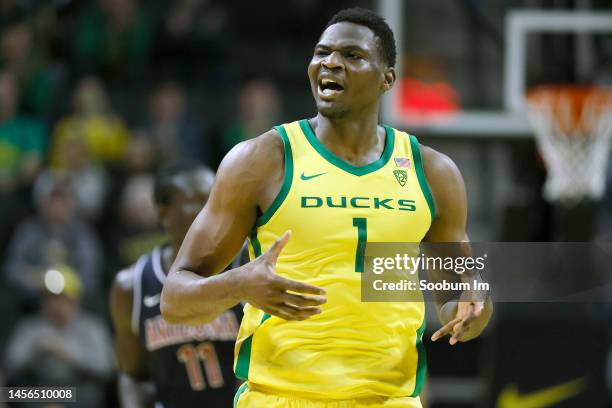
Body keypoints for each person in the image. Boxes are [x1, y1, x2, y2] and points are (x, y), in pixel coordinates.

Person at [161, 7, 493, 408]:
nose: (331, 62)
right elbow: (174, 299)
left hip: (389, 399)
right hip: (281, 397)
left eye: (351, 55)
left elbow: (460, 295)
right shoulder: (262, 160)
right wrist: (238, 285)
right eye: (322, 53)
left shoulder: (433, 172)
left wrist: (476, 307)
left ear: (387, 78)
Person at [111, 161, 243, 408]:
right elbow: (133, 376)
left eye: (215, 197)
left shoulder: (247, 262)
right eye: (199, 200)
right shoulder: (132, 285)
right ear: (163, 212)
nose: (213, 208)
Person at [4, 266, 114, 408]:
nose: (55, 305)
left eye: (61, 298)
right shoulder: (30, 326)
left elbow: (106, 368)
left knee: (91, 393)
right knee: (11, 393)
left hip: (80, 392)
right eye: (50, 299)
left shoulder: (92, 328)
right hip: (40, 390)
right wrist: (36, 350)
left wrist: (68, 353)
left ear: (74, 301)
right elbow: (10, 363)